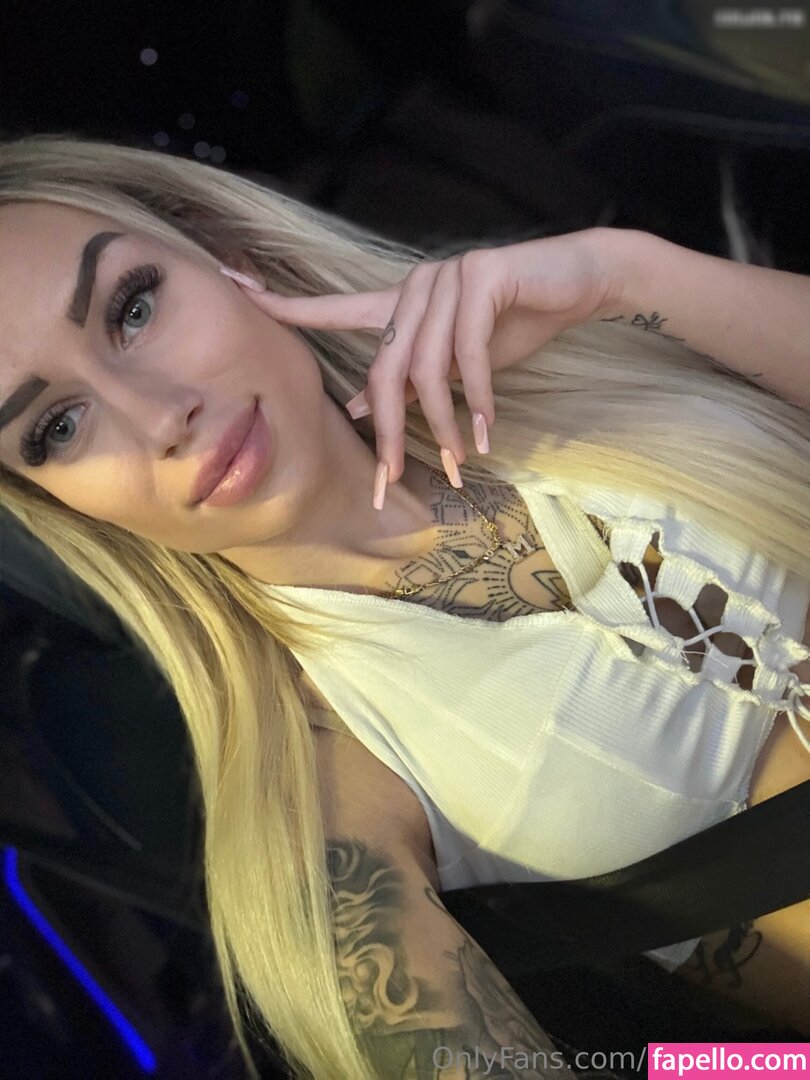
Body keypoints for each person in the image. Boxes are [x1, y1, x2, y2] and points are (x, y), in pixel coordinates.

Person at [0, 131, 807, 1079]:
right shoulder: (318, 786)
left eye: (133, 309)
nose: (156, 414)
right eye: (58, 426)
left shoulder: (560, 352)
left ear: (226, 254)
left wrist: (621, 273)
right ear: (61, 505)